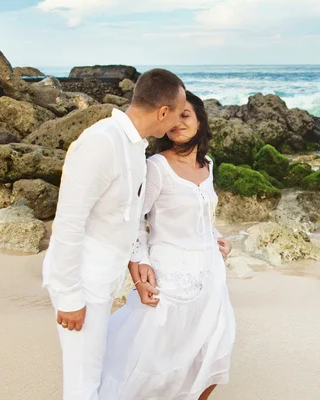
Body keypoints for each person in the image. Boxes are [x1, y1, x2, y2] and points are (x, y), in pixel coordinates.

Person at [42, 69, 186, 400]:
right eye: (177, 114)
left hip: (103, 279)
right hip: (82, 282)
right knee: (82, 385)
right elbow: (68, 222)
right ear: (162, 112)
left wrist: (137, 259)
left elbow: (130, 216)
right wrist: (69, 297)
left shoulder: (136, 147)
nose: (178, 123)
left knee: (95, 373)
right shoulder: (100, 143)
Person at [99, 91, 236, 400]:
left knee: (212, 351)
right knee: (158, 361)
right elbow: (134, 220)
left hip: (210, 276)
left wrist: (216, 238)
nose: (178, 122)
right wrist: (139, 263)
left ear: (201, 121)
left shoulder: (209, 165)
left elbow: (202, 215)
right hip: (170, 278)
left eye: (186, 115)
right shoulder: (156, 167)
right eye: (174, 116)